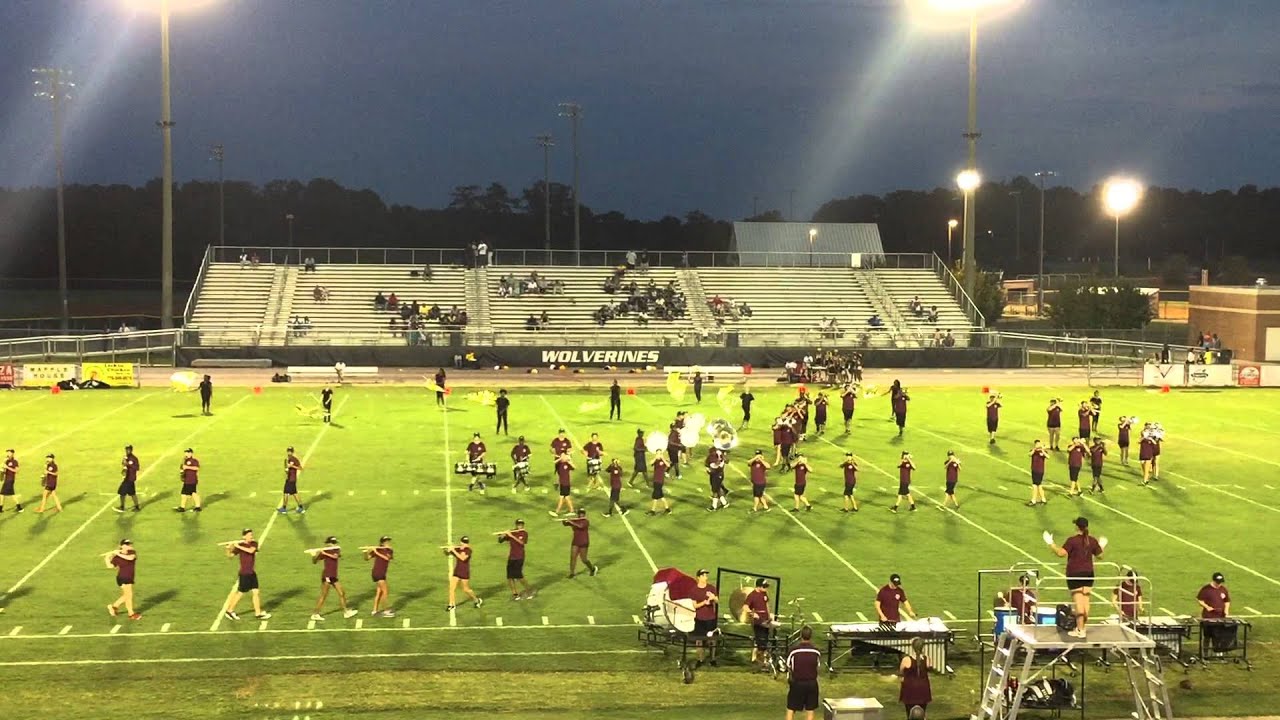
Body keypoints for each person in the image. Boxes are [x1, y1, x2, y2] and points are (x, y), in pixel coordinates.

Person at [1048, 516, 1104, 638]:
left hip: (1075, 574)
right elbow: (1100, 556)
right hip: (1089, 574)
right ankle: (1082, 628)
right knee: (1086, 602)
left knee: (1079, 603)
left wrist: (1050, 543)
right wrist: (1102, 545)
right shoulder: (1092, 540)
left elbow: (1060, 553)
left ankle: (1080, 630)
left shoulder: (1072, 540)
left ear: (1077, 527)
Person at [222, 528, 271, 620]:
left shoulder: (254, 544)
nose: (251, 536)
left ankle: (258, 613)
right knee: (240, 593)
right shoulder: (240, 545)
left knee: (256, 592)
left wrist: (238, 546)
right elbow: (230, 556)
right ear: (244, 536)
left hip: (252, 573)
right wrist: (228, 549)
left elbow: (251, 551)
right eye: (248, 535)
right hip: (244, 573)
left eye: (251, 535)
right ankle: (229, 611)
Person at [310, 536, 358, 621]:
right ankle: (315, 614)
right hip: (327, 575)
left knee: (342, 593)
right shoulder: (324, 551)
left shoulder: (336, 550)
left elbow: (335, 557)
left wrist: (324, 553)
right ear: (328, 543)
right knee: (324, 595)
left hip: (333, 576)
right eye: (332, 543)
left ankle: (346, 612)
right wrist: (315, 554)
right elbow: (314, 562)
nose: (334, 544)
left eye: (334, 543)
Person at [785, 625, 822, 720]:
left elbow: (788, 666)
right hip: (812, 683)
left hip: (797, 683)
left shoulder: (793, 651)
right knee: (810, 710)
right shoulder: (816, 651)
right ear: (811, 636)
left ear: (801, 636)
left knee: (791, 708)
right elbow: (817, 666)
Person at [104, 538, 142, 620]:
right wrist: (107, 558)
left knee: (127, 595)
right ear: (121, 546)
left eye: (129, 544)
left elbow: (130, 558)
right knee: (129, 596)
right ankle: (131, 614)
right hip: (123, 577)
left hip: (128, 577)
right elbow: (110, 566)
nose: (129, 546)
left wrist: (118, 553)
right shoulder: (117, 557)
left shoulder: (131, 552)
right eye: (126, 544)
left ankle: (114, 607)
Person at [498, 519, 536, 600]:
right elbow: (500, 541)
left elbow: (522, 543)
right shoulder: (513, 532)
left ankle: (529, 590)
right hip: (512, 557)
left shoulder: (524, 533)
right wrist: (503, 535)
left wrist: (511, 536)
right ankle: (515, 594)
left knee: (518, 576)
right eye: (518, 524)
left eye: (521, 524)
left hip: (519, 557)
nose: (520, 526)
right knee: (510, 576)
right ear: (516, 525)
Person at [744, 578, 775, 669]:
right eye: (764, 587)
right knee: (761, 641)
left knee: (764, 640)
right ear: (758, 586)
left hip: (765, 621)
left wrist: (770, 615)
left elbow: (766, 605)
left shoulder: (764, 593)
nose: (766, 589)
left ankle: (759, 659)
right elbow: (745, 607)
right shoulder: (752, 595)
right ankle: (760, 661)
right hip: (758, 622)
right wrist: (753, 614)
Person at [899, 637, 932, 719]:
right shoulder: (927, 659)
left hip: (910, 690)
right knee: (922, 714)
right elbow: (929, 668)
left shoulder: (906, 660)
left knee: (910, 715)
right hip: (923, 690)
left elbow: (901, 672)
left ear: (912, 647)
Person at [445, 536, 482, 611]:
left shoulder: (468, 550)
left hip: (464, 571)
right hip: (457, 571)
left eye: (466, 543)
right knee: (451, 588)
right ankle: (451, 604)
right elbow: (448, 554)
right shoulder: (458, 549)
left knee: (466, 589)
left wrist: (454, 550)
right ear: (461, 542)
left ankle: (476, 600)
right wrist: (447, 550)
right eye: (464, 543)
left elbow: (462, 558)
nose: (465, 544)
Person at [691, 569, 719, 666]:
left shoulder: (711, 588)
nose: (705, 577)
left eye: (706, 575)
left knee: (712, 640)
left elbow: (717, 601)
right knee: (699, 640)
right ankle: (700, 659)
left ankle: (712, 659)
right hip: (699, 619)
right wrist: (704, 603)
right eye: (703, 575)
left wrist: (713, 598)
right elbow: (694, 606)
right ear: (698, 577)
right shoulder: (694, 590)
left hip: (710, 619)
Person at [363, 536, 395, 617]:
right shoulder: (378, 550)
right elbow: (367, 558)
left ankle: (374, 610)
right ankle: (386, 610)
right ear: (382, 543)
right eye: (386, 542)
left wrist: (376, 552)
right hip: (378, 573)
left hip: (382, 573)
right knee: (385, 591)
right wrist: (365, 552)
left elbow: (387, 558)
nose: (388, 543)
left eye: (388, 541)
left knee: (379, 592)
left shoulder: (389, 550)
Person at [563, 508, 599, 578]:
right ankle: (572, 573)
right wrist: (565, 521)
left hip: (584, 542)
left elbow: (581, 526)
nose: (581, 515)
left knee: (584, 559)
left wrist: (571, 522)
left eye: (582, 513)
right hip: (576, 541)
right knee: (573, 557)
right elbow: (565, 524)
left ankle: (592, 569)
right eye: (580, 513)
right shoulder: (575, 520)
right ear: (578, 514)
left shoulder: (586, 521)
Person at [279, 446, 306, 514]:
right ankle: (300, 507)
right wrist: (286, 470)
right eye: (288, 451)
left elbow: (300, 468)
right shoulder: (287, 459)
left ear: (292, 452)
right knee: (294, 493)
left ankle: (284, 508)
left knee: (286, 492)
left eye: (290, 451)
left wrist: (292, 466)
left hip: (292, 479)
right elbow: (286, 470)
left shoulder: (294, 459)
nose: (289, 452)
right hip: (289, 479)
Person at [116, 444, 141, 513]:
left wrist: (128, 464)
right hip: (127, 478)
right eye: (126, 449)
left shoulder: (134, 458)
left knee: (122, 492)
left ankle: (122, 507)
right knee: (132, 493)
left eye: (128, 449)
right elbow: (124, 465)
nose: (127, 450)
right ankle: (137, 507)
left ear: (131, 450)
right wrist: (124, 465)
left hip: (130, 479)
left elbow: (137, 468)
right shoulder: (126, 457)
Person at [176, 448, 202, 512]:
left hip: (191, 480)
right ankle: (196, 507)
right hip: (187, 480)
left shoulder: (194, 460)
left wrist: (187, 467)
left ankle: (183, 508)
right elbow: (182, 469)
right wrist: (182, 474)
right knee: (190, 493)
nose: (186, 454)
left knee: (187, 494)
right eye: (186, 452)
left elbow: (197, 468)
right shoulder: (184, 461)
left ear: (191, 453)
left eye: (188, 452)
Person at [551, 451, 576, 516]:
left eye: (564, 456)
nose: (563, 457)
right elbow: (554, 462)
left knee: (562, 497)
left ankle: (557, 512)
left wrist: (569, 461)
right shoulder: (559, 464)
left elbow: (574, 467)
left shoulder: (567, 464)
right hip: (562, 483)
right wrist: (560, 458)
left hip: (566, 483)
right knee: (566, 497)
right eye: (562, 455)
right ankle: (571, 511)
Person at [705, 446, 728, 512]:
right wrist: (708, 469)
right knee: (716, 489)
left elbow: (719, 465)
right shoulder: (711, 456)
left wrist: (721, 457)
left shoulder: (720, 457)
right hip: (713, 475)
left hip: (718, 475)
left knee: (715, 490)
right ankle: (724, 503)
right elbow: (707, 464)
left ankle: (714, 506)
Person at [1027, 440, 1049, 506]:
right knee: (1039, 485)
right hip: (1034, 470)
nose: (1038, 445)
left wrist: (1042, 450)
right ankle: (1043, 499)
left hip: (1040, 470)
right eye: (1037, 444)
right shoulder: (1033, 451)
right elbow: (1029, 454)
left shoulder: (1043, 451)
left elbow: (1048, 457)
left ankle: (1033, 500)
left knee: (1035, 485)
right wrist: (1035, 449)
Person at [0, 448, 21, 513]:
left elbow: (17, 471)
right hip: (6, 479)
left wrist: (7, 467)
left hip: (10, 479)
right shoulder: (6, 461)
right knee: (2, 494)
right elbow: (2, 468)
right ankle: (0, 508)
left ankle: (19, 508)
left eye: (9, 453)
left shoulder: (15, 461)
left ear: (12, 453)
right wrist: (4, 462)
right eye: (7, 453)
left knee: (9, 494)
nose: (8, 454)